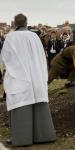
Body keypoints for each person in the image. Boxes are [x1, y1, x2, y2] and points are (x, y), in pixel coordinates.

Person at [1, 14, 56, 146]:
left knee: (21, 104)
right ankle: (43, 135)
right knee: (39, 104)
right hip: (35, 75)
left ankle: (22, 138)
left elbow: (6, 58)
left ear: (15, 23)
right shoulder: (34, 36)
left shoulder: (11, 37)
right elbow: (41, 56)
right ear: (26, 23)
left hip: (20, 76)